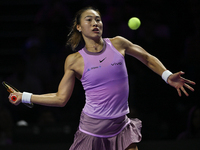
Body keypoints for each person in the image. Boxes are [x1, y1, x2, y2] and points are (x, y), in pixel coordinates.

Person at [9, 6, 196, 150]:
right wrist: (24, 96)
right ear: (79, 27)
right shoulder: (74, 60)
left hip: (121, 126)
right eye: (89, 20)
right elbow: (60, 98)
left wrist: (167, 75)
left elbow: (146, 58)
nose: (95, 23)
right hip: (92, 130)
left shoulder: (118, 43)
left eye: (98, 19)